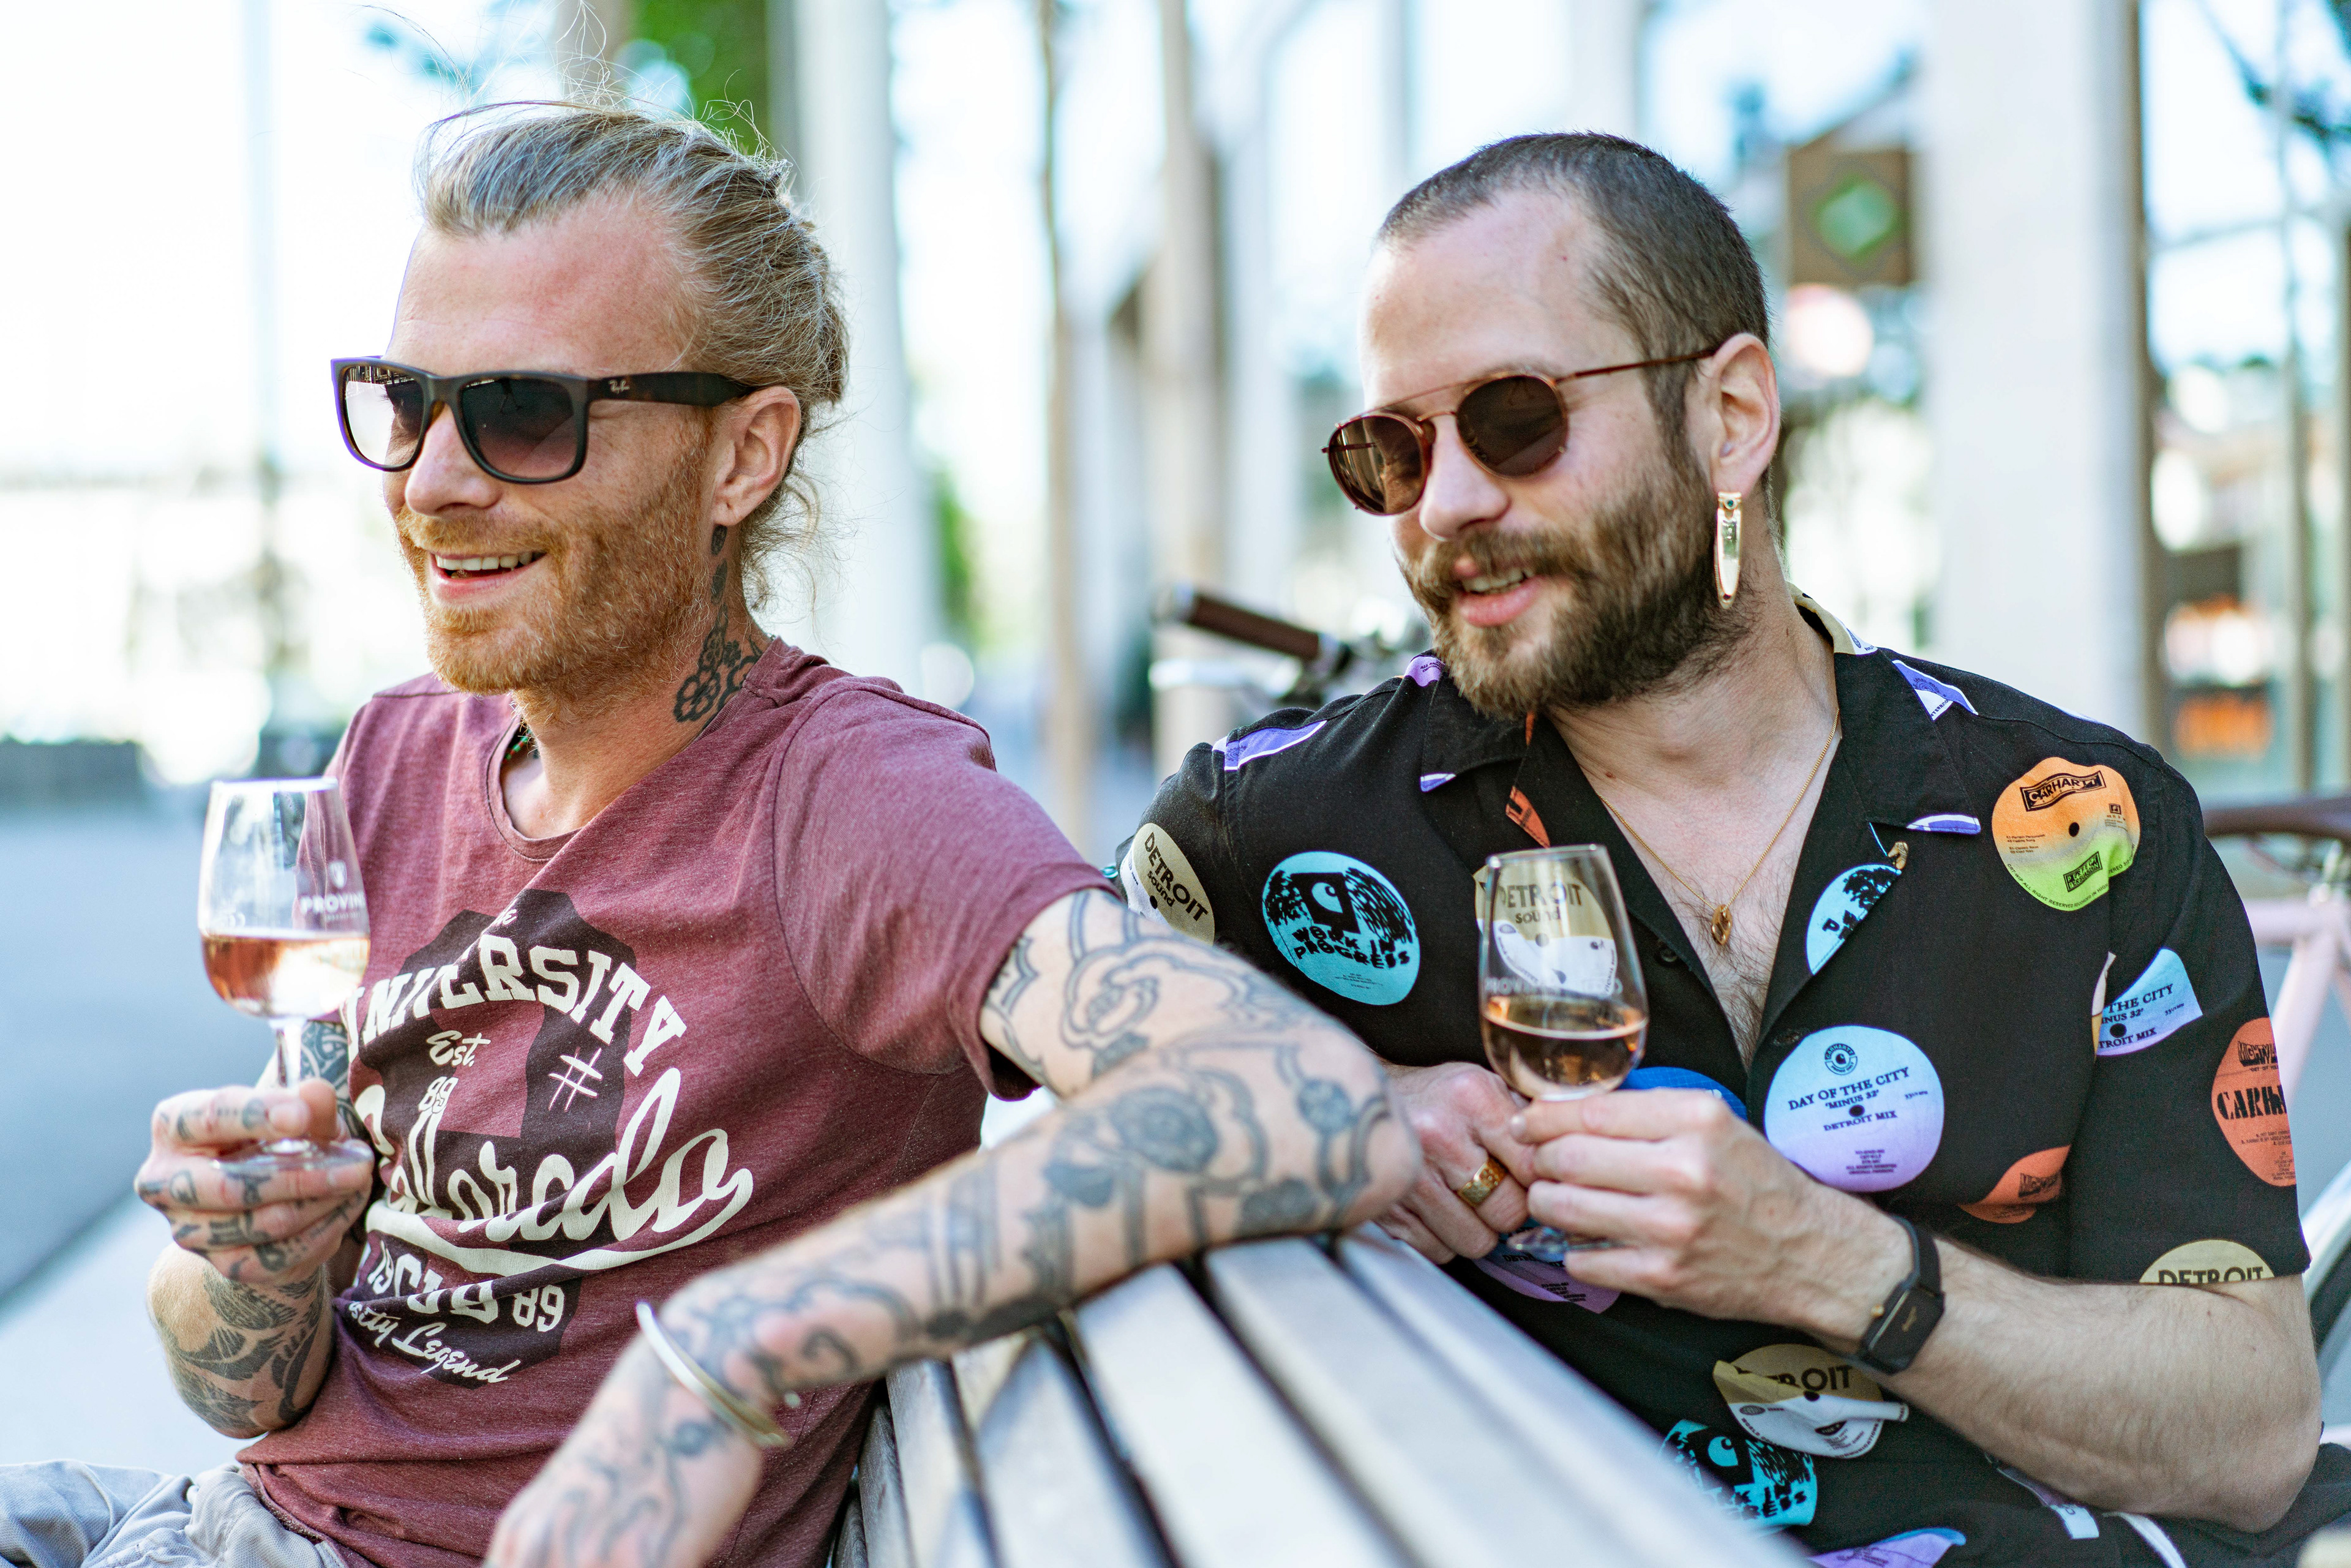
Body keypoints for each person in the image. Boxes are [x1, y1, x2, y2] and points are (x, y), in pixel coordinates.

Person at [0, 100, 1414, 1568]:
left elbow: (1291, 1093)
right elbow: (248, 1395)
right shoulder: (394, 755)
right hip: (213, 1519)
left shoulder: (850, 796)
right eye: (406, 404)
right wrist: (252, 1262)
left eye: (522, 412)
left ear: (743, 455)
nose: (429, 482)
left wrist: (731, 1351)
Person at [1120, 131, 2351, 1565]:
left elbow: (2251, 1437)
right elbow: (1032, 1036)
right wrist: (1336, 1101)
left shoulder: (2085, 823)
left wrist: (1824, 1261)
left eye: (1514, 419)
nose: (1444, 503)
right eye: (1392, 451)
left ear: (1732, 416)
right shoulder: (1284, 825)